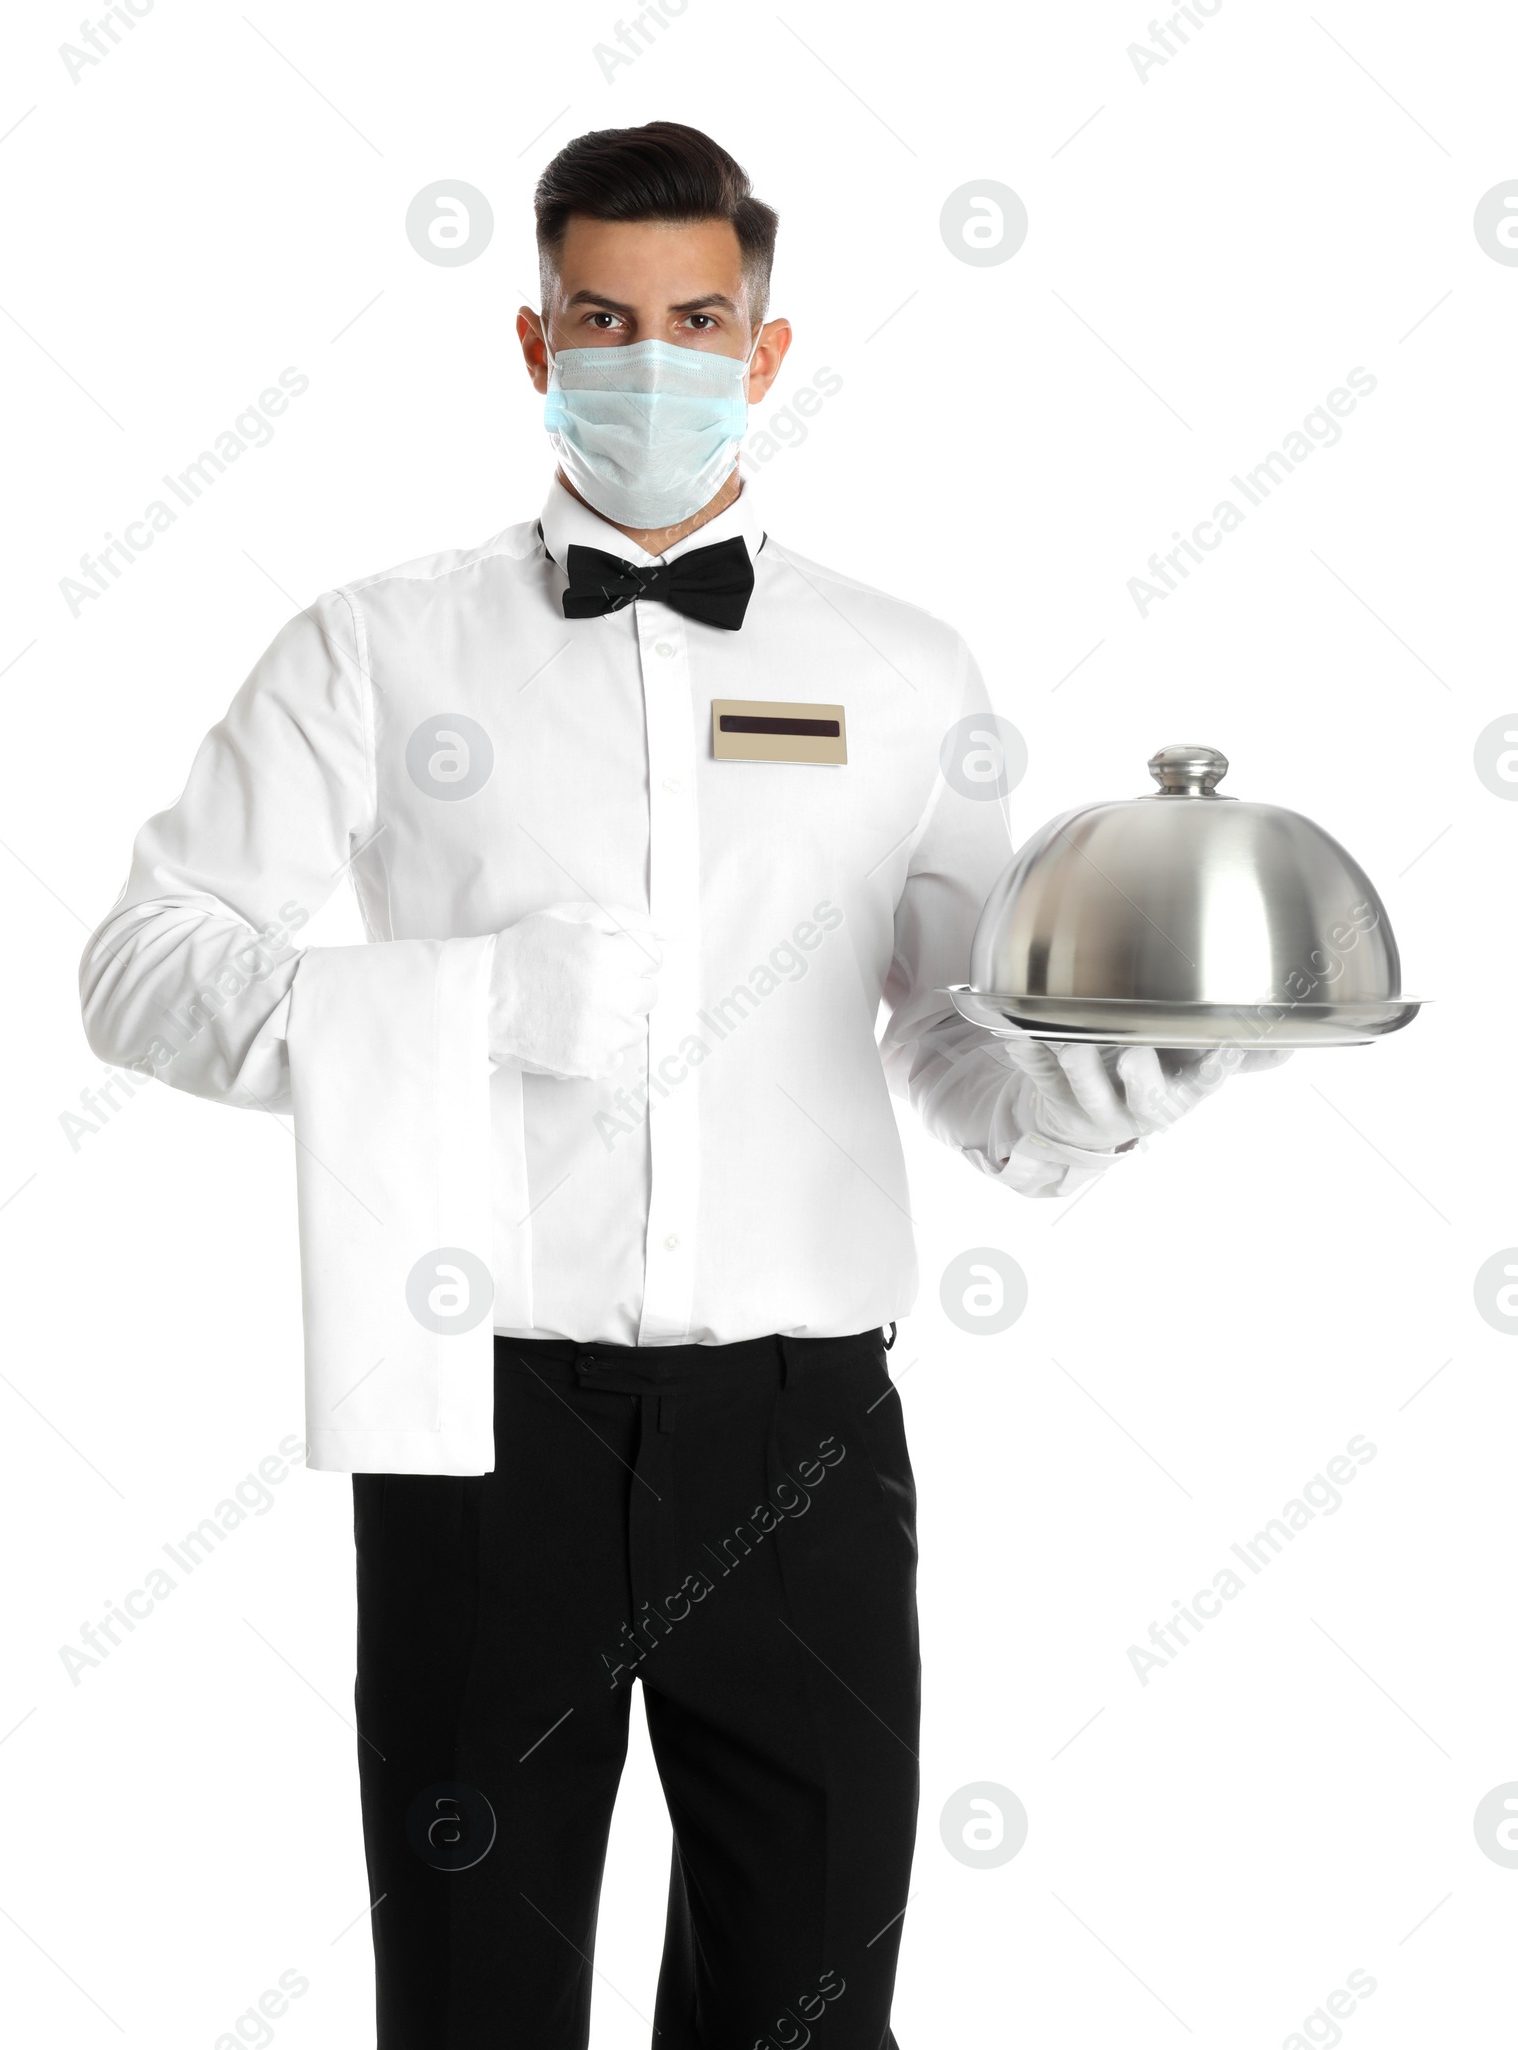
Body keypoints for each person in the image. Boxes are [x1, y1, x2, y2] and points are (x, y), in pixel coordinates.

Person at [80, 120, 1280, 2050]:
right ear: (539, 343)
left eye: (698, 316)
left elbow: (958, 1038)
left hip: (802, 1437)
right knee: (473, 2010)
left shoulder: (903, 670)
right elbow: (143, 968)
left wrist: (1086, 1105)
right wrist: (474, 1004)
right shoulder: (375, 650)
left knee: (806, 2015)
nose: (655, 356)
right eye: (606, 318)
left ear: (767, 344)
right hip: (478, 1420)